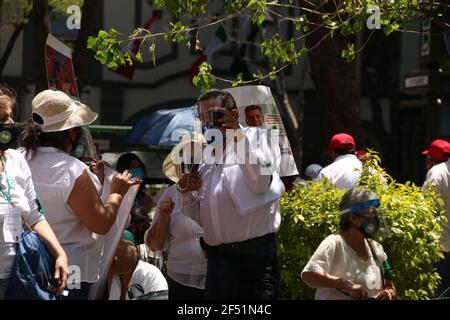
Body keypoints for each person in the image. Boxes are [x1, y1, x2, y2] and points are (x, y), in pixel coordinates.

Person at [19, 89, 140, 299]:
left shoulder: (17, 159)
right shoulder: (71, 170)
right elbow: (101, 224)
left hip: (25, 266)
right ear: (72, 132)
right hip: (70, 271)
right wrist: (117, 193)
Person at [177, 89, 283, 300]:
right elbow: (201, 218)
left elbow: (261, 182)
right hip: (218, 263)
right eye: (203, 119)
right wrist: (186, 193)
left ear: (234, 115)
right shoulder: (206, 154)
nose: (208, 124)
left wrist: (236, 134)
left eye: (214, 117)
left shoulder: (260, 137)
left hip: (254, 259)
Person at [0, 85, 68, 299]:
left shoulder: (16, 160)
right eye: (2, 118)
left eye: (10, 117)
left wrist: (59, 253)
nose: (10, 124)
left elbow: (34, 215)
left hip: (20, 276)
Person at [301, 188, 396, 300]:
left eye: (375, 213)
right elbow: (308, 274)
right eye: (369, 213)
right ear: (352, 218)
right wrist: (345, 285)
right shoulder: (334, 243)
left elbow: (390, 285)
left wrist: (389, 293)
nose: (374, 218)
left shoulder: (376, 249)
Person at [146, 132, 208, 300]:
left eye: (198, 158)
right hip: (179, 283)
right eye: (187, 158)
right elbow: (155, 245)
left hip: (217, 280)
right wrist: (163, 217)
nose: (192, 163)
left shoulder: (216, 190)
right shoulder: (170, 194)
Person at [422, 141, 450, 297]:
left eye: (427, 161)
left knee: (440, 293)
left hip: (442, 249)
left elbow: (425, 206)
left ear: (431, 161)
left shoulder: (437, 172)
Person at [116, 153, 153, 245]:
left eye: (139, 166)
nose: (137, 169)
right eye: (133, 167)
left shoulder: (143, 190)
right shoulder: (120, 190)